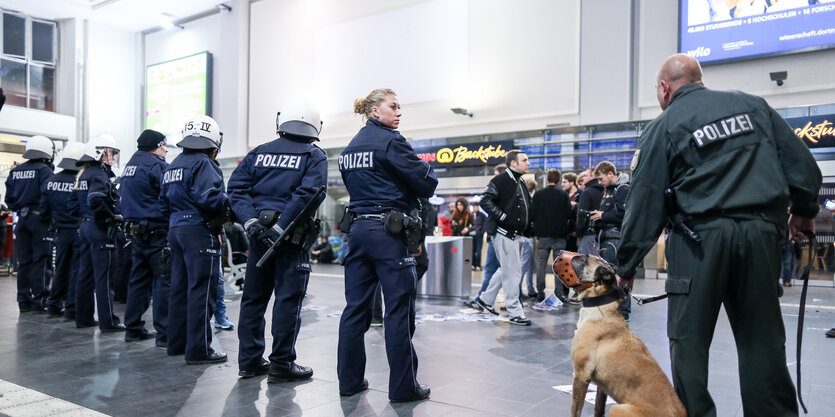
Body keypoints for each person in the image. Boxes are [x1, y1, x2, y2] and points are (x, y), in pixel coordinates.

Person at [617, 53, 821, 417]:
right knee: (763, 343)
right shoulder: (754, 107)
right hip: (760, 236)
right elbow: (803, 165)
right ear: (699, 79)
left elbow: (645, 197)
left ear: (664, 89)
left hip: (699, 242)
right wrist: (804, 214)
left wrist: (627, 264)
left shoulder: (664, 125)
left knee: (689, 343)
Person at [337, 88, 437, 402]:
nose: (399, 112)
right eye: (393, 106)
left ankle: (349, 381)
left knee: (355, 310)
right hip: (388, 234)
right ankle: (403, 387)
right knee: (397, 311)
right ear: (375, 111)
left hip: (357, 232)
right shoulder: (392, 141)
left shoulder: (350, 148)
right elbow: (427, 182)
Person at [229, 100, 327, 381]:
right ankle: (282, 364)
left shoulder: (258, 153)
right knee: (288, 301)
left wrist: (251, 222)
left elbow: (236, 189)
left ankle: (249, 361)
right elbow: (309, 194)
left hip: (259, 238)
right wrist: (282, 226)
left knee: (253, 300)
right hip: (292, 241)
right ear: (315, 125)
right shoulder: (313, 156)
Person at [161, 115, 229, 364]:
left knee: (179, 288)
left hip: (176, 229)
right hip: (199, 230)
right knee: (202, 290)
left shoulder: (173, 164)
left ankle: (176, 344)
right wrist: (228, 204)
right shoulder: (204, 163)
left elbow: (163, 201)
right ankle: (199, 350)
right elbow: (209, 198)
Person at [120, 130, 170, 346]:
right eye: (165, 145)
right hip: (157, 231)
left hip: (135, 232)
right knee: (163, 280)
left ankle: (133, 328)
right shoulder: (157, 166)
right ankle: (165, 334)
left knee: (138, 281)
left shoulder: (129, 166)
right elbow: (170, 195)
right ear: (157, 146)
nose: (166, 150)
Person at [474, 150, 533, 326]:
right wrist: (503, 217)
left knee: (506, 270)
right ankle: (515, 312)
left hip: (515, 234)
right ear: (513, 163)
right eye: (524, 160)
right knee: (512, 273)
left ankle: (485, 299)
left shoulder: (519, 181)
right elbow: (485, 201)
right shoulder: (501, 180)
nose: (527, 163)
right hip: (506, 233)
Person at [75, 133, 124, 332]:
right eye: (110, 153)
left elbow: (76, 203)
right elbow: (95, 200)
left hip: (85, 227)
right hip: (99, 228)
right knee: (104, 277)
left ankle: (84, 317)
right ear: (99, 153)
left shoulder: (84, 174)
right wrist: (111, 217)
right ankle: (108, 321)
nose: (111, 157)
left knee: (85, 274)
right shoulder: (98, 175)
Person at [5, 136, 55, 313]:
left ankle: (23, 301)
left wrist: (20, 207)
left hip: (22, 219)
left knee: (24, 262)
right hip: (40, 220)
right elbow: (49, 196)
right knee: (40, 261)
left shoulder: (16, 171)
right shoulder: (44, 171)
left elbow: (8, 199)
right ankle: (39, 301)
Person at [42, 142, 85, 318]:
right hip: (78, 230)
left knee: (60, 268)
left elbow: (44, 207)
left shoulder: (51, 180)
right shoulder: (80, 180)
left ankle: (53, 304)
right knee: (76, 269)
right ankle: (71, 307)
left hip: (60, 231)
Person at [589, 161, 630, 319]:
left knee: (617, 278)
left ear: (610, 174)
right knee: (610, 278)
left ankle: (622, 313)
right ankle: (614, 312)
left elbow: (625, 214)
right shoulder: (610, 190)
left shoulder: (622, 189)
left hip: (615, 240)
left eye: (601, 178)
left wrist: (603, 215)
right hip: (607, 239)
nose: (599, 182)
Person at [531, 169, 571, 302]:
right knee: (559, 265)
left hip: (543, 235)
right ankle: (559, 292)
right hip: (560, 235)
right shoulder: (564, 195)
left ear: (547, 179)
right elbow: (568, 214)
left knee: (541, 264)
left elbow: (533, 214)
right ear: (559, 180)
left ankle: (540, 292)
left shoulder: (538, 195)